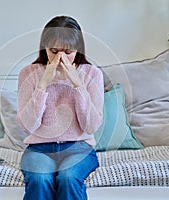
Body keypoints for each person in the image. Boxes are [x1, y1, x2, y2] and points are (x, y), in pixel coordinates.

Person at [17, 15, 104, 200]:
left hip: (79, 148)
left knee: (68, 177)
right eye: (54, 51)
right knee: (39, 179)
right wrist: (42, 85)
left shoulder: (92, 73)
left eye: (68, 52)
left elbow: (90, 126)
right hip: (39, 149)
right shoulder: (28, 73)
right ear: (44, 48)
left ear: (78, 49)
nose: (60, 59)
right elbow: (27, 127)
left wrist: (77, 84)